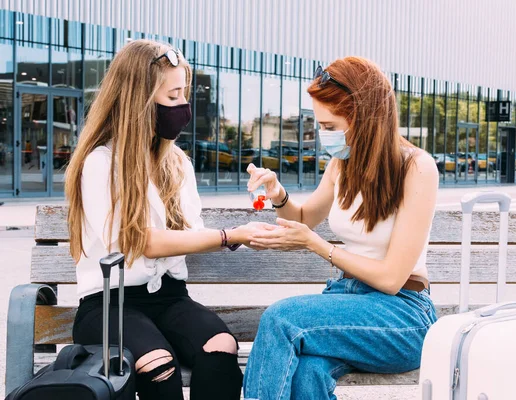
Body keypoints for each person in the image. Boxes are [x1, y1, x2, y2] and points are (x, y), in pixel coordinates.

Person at [64, 40, 272, 400]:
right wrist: (228, 235)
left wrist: (248, 223)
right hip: (109, 304)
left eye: (184, 96)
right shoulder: (100, 163)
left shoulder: (177, 163)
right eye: (173, 97)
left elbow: (188, 233)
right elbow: (138, 242)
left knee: (221, 346)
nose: (183, 108)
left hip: (170, 297)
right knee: (158, 363)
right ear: (139, 102)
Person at [243, 56, 439, 400]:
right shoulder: (341, 164)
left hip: (402, 316)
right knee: (308, 373)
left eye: (331, 126)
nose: (324, 136)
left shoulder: (417, 167)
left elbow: (392, 279)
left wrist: (319, 246)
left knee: (281, 318)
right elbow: (304, 218)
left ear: (364, 117)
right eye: (320, 126)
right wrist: (277, 193)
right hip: (348, 302)